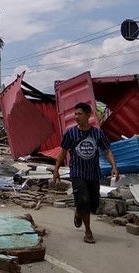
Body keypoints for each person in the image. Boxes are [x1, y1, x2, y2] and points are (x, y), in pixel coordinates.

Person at [53, 102, 119, 244]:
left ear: (88, 115)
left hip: (93, 173)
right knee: (84, 200)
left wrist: (114, 167)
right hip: (77, 172)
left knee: (93, 204)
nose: (76, 117)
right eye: (75, 114)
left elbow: (107, 150)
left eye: (80, 114)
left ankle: (79, 211)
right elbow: (63, 152)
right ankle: (88, 231)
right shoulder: (70, 133)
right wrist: (56, 169)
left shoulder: (97, 133)